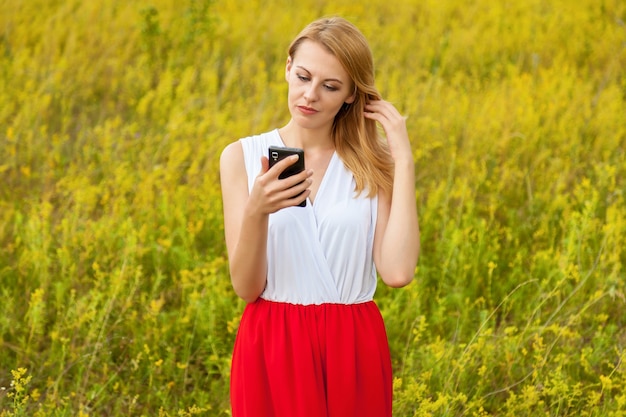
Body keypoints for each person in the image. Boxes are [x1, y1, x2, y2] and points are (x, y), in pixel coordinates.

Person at [219, 16, 420, 417]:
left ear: (350, 96)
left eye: (330, 86)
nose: (310, 95)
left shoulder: (372, 164)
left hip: (352, 344)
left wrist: (402, 159)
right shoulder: (240, 157)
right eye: (303, 76)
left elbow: (397, 272)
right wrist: (258, 209)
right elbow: (246, 288)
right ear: (287, 67)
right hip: (273, 342)